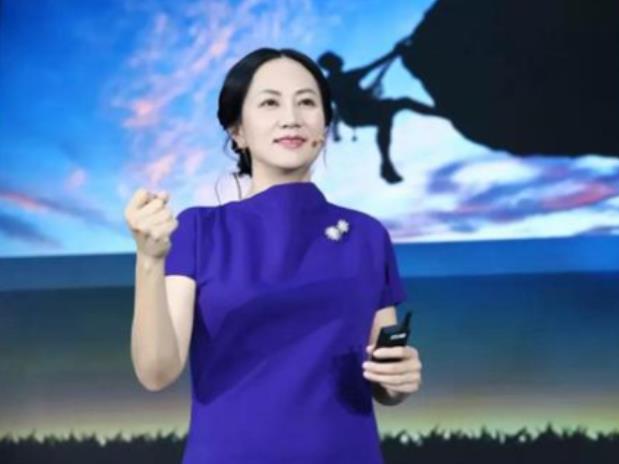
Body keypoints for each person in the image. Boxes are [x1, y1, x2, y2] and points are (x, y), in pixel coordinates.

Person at [123, 47, 423, 463]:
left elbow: (383, 378)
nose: (291, 118)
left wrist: (398, 378)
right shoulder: (198, 230)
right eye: (269, 103)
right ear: (237, 131)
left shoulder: (367, 235)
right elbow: (156, 372)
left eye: (307, 102)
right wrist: (149, 260)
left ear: (324, 125)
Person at [318, 38, 441, 184]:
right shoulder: (346, 77)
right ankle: (441, 113)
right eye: (335, 58)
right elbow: (375, 64)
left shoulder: (330, 84)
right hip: (358, 113)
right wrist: (394, 52)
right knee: (400, 105)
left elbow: (335, 107)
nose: (339, 58)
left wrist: (336, 130)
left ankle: (386, 164)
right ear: (333, 63)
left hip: (353, 116)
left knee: (390, 116)